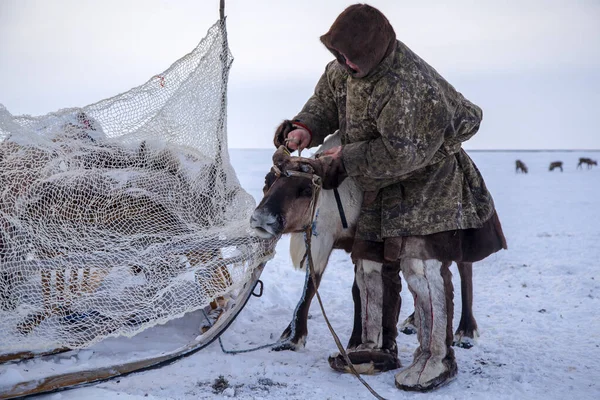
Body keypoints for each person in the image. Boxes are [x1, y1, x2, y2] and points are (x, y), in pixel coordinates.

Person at [272, 3, 507, 392]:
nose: (344, 62)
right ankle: (374, 346)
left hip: (428, 180)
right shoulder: (345, 69)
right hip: (376, 180)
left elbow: (401, 152)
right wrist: (304, 129)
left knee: (420, 264)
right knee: (369, 260)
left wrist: (345, 156)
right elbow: (326, 103)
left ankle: (437, 358)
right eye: (339, 54)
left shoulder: (407, 86)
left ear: (373, 50)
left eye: (350, 56)